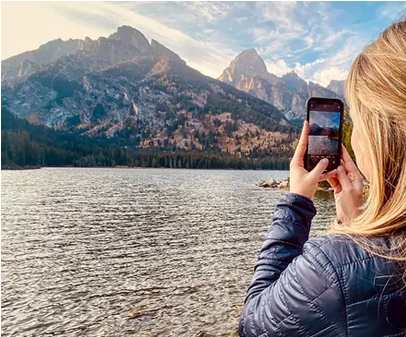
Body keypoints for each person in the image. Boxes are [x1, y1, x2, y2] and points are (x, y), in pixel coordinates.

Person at [238, 18, 406, 337]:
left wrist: (296, 203)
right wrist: (354, 224)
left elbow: (253, 324)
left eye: (357, 121)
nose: (353, 138)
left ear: (384, 135)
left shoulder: (331, 266)